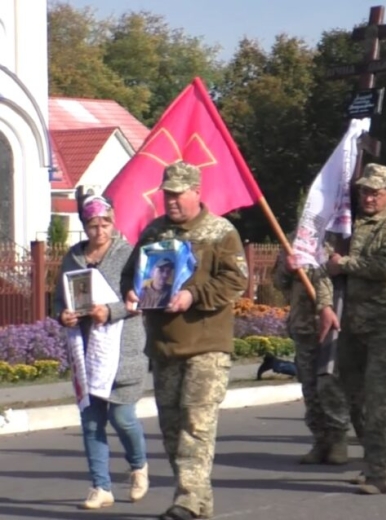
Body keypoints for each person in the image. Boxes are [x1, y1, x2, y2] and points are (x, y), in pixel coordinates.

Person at [122, 161, 248, 520]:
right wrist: (131, 292)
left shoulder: (220, 232)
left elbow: (234, 280)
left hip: (206, 346)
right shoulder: (153, 232)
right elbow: (132, 274)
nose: (172, 201)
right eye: (167, 194)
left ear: (197, 192)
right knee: (173, 429)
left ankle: (187, 501)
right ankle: (197, 504)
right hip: (164, 346)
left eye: (178, 194)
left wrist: (193, 295)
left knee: (197, 424)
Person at [314, 164, 386, 495]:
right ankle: (371, 460)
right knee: (354, 397)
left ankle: (377, 472)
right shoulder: (348, 223)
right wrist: (325, 303)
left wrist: (346, 265)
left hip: (384, 323)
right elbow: (325, 265)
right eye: (364, 191)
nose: (368, 197)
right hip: (351, 323)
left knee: (379, 398)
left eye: (375, 192)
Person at [55, 194, 149, 510]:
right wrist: (63, 315)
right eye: (93, 225)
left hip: (124, 349)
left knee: (122, 417)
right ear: (84, 226)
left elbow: (142, 297)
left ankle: (138, 467)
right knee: (92, 422)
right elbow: (60, 298)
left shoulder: (128, 254)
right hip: (86, 352)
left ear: (113, 221)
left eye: (105, 223)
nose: (99, 231)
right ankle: (100, 486)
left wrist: (110, 311)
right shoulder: (73, 257)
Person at [273, 233, 349, 464]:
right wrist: (287, 268)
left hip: (336, 322)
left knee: (331, 384)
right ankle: (320, 440)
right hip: (304, 324)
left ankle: (338, 440)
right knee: (309, 385)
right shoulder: (292, 240)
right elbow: (278, 282)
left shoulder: (343, 237)